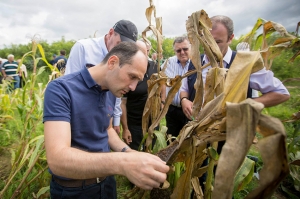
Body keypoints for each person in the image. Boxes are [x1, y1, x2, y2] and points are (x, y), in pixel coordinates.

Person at [179, 15, 290, 194]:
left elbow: (281, 93)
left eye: (217, 42)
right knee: (194, 176)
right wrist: (185, 100)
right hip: (197, 131)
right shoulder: (196, 60)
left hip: (227, 135)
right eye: (206, 42)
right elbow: (184, 86)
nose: (210, 48)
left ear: (231, 38)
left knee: (222, 182)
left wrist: (244, 104)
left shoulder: (244, 63)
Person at [43, 42, 169, 199]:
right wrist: (123, 163)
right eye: (132, 77)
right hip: (74, 190)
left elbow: (107, 129)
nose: (133, 87)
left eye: (138, 80)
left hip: (107, 182)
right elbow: (57, 160)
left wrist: (129, 153)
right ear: (112, 62)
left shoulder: (111, 89)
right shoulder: (61, 90)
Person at [65, 19, 138, 134]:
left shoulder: (123, 57)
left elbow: (118, 88)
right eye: (120, 43)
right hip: (80, 115)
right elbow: (69, 85)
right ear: (110, 33)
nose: (121, 50)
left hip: (105, 117)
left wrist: (116, 120)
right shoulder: (84, 48)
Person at [121, 40, 158, 150]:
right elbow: (122, 103)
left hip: (153, 122)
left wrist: (163, 101)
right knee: (135, 154)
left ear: (148, 51)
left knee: (153, 151)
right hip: (135, 123)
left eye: (144, 51)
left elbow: (162, 84)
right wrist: (126, 128)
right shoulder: (128, 71)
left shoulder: (155, 66)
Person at [161, 36, 191, 138]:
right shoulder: (168, 62)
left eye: (185, 49)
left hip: (189, 110)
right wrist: (163, 100)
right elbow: (162, 81)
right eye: (178, 50)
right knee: (171, 138)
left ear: (190, 48)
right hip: (172, 109)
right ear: (175, 51)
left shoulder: (197, 63)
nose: (182, 52)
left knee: (187, 139)